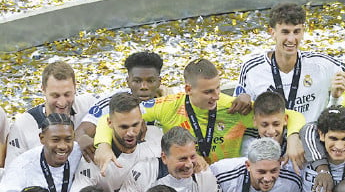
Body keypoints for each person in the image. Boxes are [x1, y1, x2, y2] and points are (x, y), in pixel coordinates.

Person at [93, 58, 306, 170]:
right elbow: (109, 119)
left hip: (227, 181)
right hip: (185, 177)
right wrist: (102, 145)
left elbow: (292, 116)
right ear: (188, 90)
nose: (216, 96)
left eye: (217, 88)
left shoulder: (233, 106)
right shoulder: (168, 105)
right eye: (208, 92)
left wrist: (294, 138)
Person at [233, 3, 345, 122]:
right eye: (285, 32)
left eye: (296, 31)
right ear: (272, 32)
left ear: (303, 31)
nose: (291, 39)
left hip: (312, 138)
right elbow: (236, 111)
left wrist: (336, 96)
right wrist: (242, 98)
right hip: (271, 136)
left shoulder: (321, 64)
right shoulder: (252, 69)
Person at [76, 51, 168, 161]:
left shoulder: (169, 104)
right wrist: (83, 139)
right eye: (137, 81)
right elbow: (81, 132)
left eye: (150, 81)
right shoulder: (111, 103)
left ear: (159, 82)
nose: (144, 86)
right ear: (128, 81)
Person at [6, 61, 97, 164]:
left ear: (75, 88)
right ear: (43, 90)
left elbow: (113, 103)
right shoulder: (22, 125)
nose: (62, 103)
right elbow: (12, 170)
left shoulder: (89, 105)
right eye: (55, 96)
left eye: (67, 94)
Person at [1, 113, 89, 192]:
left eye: (68, 139)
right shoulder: (22, 164)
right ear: (42, 138)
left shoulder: (81, 152)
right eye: (55, 140)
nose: (63, 146)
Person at [119, 126, 222, 192]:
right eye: (182, 159)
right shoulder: (144, 170)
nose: (189, 164)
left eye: (193, 156)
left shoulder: (205, 175)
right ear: (164, 158)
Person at [81, 92, 162, 192]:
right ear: (109, 123)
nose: (131, 133)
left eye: (135, 125)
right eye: (124, 127)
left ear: (142, 119)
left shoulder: (157, 140)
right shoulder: (92, 157)